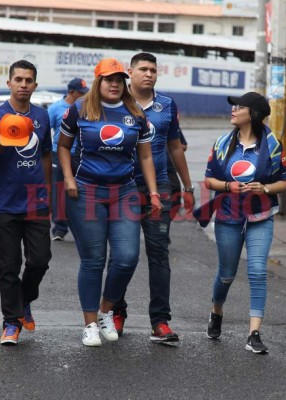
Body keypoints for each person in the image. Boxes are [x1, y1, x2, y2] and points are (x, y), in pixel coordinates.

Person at [58, 57, 162, 347]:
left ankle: (105, 311)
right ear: (98, 81)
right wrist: (68, 179)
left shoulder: (136, 113)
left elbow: (145, 156)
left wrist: (153, 193)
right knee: (93, 260)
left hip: (124, 192)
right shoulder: (79, 109)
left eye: (118, 79)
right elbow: (63, 147)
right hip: (86, 191)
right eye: (108, 79)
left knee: (127, 257)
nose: (114, 83)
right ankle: (89, 324)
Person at [110, 52, 194, 343]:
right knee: (122, 255)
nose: (149, 74)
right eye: (143, 69)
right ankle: (115, 313)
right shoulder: (114, 101)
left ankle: (160, 321)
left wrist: (188, 187)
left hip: (159, 188)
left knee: (159, 253)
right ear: (129, 73)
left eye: (153, 70)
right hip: (120, 188)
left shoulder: (167, 105)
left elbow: (175, 147)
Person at [202, 92, 286, 354]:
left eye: (239, 107)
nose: (233, 110)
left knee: (258, 272)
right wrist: (229, 185)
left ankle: (254, 333)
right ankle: (216, 311)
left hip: (261, 217)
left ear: (252, 114)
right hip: (228, 216)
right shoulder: (222, 143)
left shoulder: (273, 145)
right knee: (227, 274)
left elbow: (284, 182)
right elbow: (209, 180)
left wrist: (264, 188)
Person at [0, 60, 52, 345]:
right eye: (18, 79)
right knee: (8, 267)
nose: (23, 84)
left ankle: (23, 300)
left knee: (40, 261)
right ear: (9, 83)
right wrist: (5, 134)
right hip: (5, 203)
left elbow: (46, 154)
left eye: (29, 80)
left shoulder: (42, 118)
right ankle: (11, 323)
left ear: (35, 85)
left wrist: (47, 190)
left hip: (36, 201)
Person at [48, 77, 89, 241]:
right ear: (71, 92)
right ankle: (59, 229)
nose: (83, 96)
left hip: (80, 155)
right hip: (58, 154)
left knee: (82, 191)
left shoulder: (85, 108)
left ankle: (83, 227)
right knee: (59, 191)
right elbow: (45, 131)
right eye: (81, 93)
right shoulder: (55, 108)